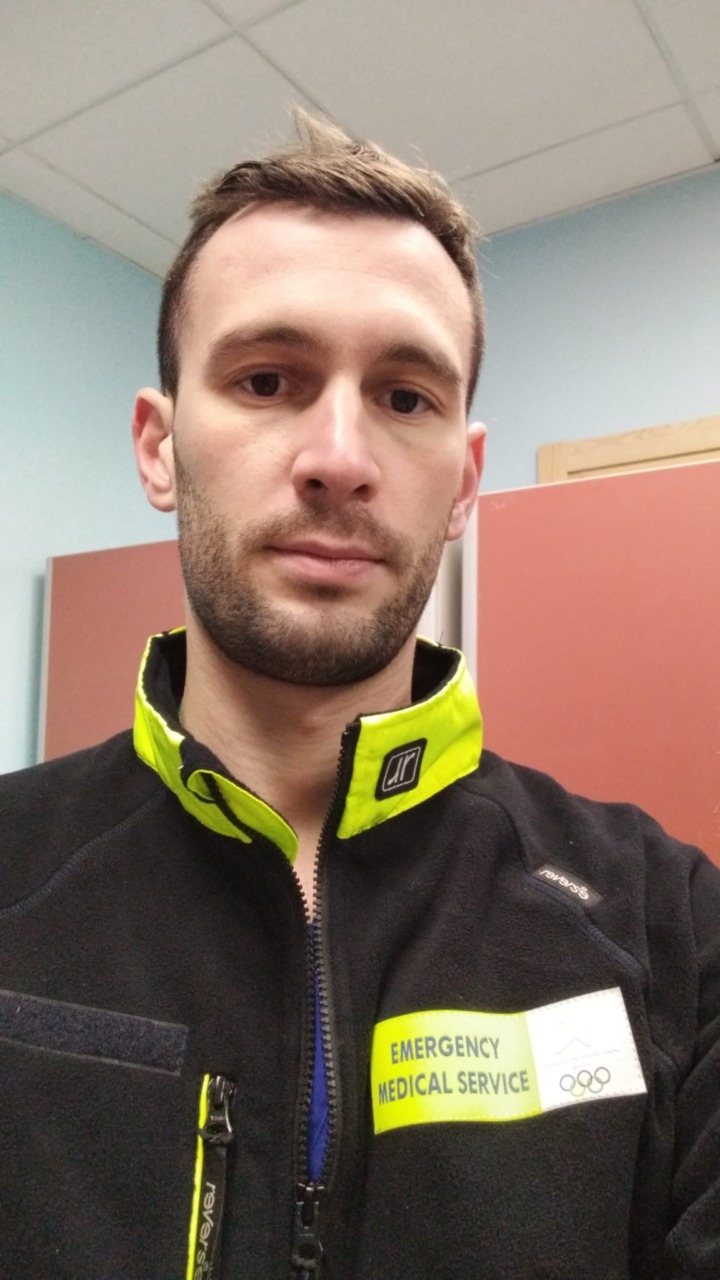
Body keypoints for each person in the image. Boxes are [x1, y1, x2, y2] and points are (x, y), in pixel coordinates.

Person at [0, 111, 718, 1280]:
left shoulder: (670, 920)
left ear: (465, 482)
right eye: (266, 378)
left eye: (406, 396)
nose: (339, 456)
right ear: (159, 446)